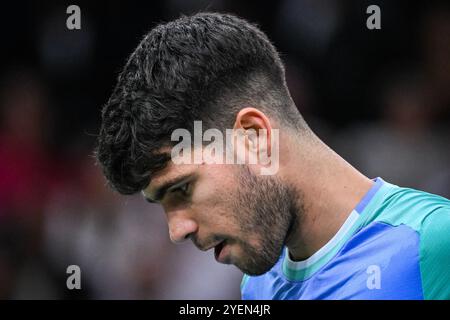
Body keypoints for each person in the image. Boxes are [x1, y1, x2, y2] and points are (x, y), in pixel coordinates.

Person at [95, 12, 450, 299]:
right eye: (159, 201)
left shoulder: (435, 241)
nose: (176, 230)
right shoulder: (259, 286)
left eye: (182, 189)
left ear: (253, 137)